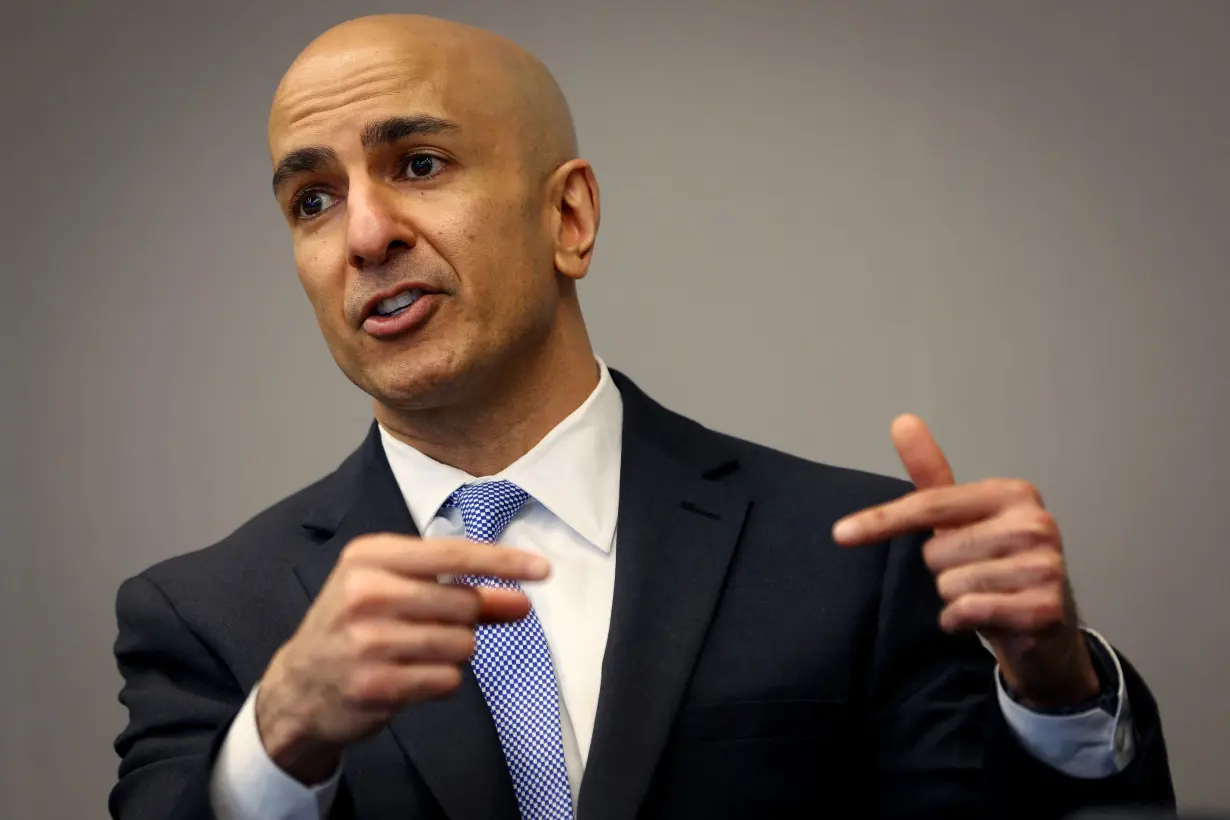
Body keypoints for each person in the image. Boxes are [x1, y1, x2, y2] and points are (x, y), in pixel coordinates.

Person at [109, 14, 1175, 820]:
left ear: (568, 217)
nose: (366, 234)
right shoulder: (206, 616)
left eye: (419, 165)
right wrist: (278, 739)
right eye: (313, 199)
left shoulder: (862, 555)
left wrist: (1055, 690)